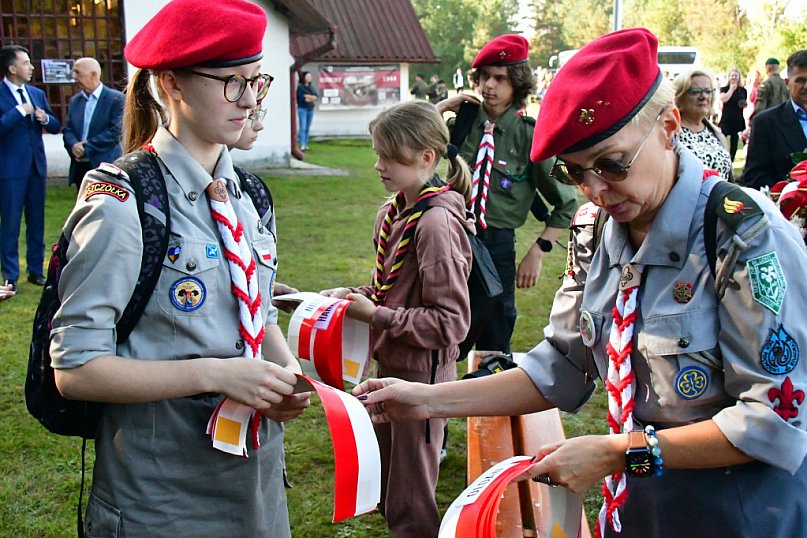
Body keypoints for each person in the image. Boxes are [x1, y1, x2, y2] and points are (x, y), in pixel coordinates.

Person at [353, 28, 807, 538]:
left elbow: (773, 421)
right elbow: (563, 364)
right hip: (638, 511)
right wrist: (427, 399)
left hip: (738, 518)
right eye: (572, 172)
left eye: (612, 164)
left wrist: (621, 454)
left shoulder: (743, 235)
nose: (594, 189)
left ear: (668, 127)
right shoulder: (595, 231)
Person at [49, 1, 309, 535]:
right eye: (231, 83)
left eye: (256, 81)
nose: (250, 101)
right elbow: (76, 368)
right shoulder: (122, 201)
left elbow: (257, 314)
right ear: (171, 83)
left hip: (255, 482)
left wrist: (287, 376)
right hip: (163, 494)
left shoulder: (249, 196)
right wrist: (215, 373)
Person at [320, 100, 474, 537]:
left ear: (426, 157)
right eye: (377, 153)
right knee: (389, 490)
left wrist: (378, 315)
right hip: (390, 367)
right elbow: (389, 290)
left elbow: (450, 324)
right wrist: (352, 298)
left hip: (423, 378)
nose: (378, 165)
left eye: (390, 156)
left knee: (411, 502)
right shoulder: (391, 214)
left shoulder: (436, 224)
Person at [436, 34, 577, 354]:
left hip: (496, 246)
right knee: (439, 328)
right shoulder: (462, 123)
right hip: (450, 237)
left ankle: (486, 384)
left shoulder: (531, 135)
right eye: (484, 76)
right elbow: (410, 146)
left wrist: (538, 251)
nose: (489, 85)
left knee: (494, 336)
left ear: (517, 83)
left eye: (500, 78)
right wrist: (441, 107)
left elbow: (568, 202)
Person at [0, 44, 61, 292]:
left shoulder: (36, 93)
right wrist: (18, 111)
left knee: (37, 222)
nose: (31, 67)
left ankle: (36, 270)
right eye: (25, 63)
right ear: (12, 68)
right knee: (11, 223)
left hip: (36, 167)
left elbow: (56, 125)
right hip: (10, 170)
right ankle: (10, 274)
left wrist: (45, 118)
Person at [743, 50, 807, 190]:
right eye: (800, 81)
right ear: (787, 83)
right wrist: (787, 194)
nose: (806, 86)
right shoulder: (765, 123)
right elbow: (754, 176)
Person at [62, 57, 124, 189]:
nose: (74, 77)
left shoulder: (116, 99)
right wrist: (73, 146)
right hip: (80, 166)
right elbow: (68, 129)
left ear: (93, 75)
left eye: (77, 73)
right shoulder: (75, 101)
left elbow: (116, 132)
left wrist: (86, 147)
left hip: (105, 166)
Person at [673, 69, 733, 181]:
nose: (704, 96)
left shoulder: (715, 132)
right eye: (695, 91)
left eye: (708, 91)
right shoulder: (671, 134)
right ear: (679, 97)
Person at [718, 68, 747, 163]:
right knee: (721, 137)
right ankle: (722, 157)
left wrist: (743, 104)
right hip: (726, 118)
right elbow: (724, 99)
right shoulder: (724, 89)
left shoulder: (743, 90)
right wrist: (731, 89)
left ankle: (732, 160)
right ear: (729, 77)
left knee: (735, 141)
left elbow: (743, 102)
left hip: (737, 119)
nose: (734, 77)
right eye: (732, 75)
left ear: (739, 77)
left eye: (736, 75)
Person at [296, 70, 317, 151]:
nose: (309, 78)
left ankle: (306, 143)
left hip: (310, 109)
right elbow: (302, 99)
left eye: (310, 76)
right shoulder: (300, 87)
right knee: (303, 127)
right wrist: (310, 97)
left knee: (307, 127)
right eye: (308, 76)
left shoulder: (311, 87)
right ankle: (302, 144)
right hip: (302, 109)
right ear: (304, 77)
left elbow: (316, 97)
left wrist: (308, 96)